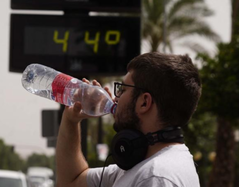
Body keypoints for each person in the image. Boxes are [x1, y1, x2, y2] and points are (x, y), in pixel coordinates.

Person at [56, 52, 201, 187]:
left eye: (122, 90)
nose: (115, 98)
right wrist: (71, 120)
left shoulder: (155, 177)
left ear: (144, 102)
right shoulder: (146, 166)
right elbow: (71, 181)